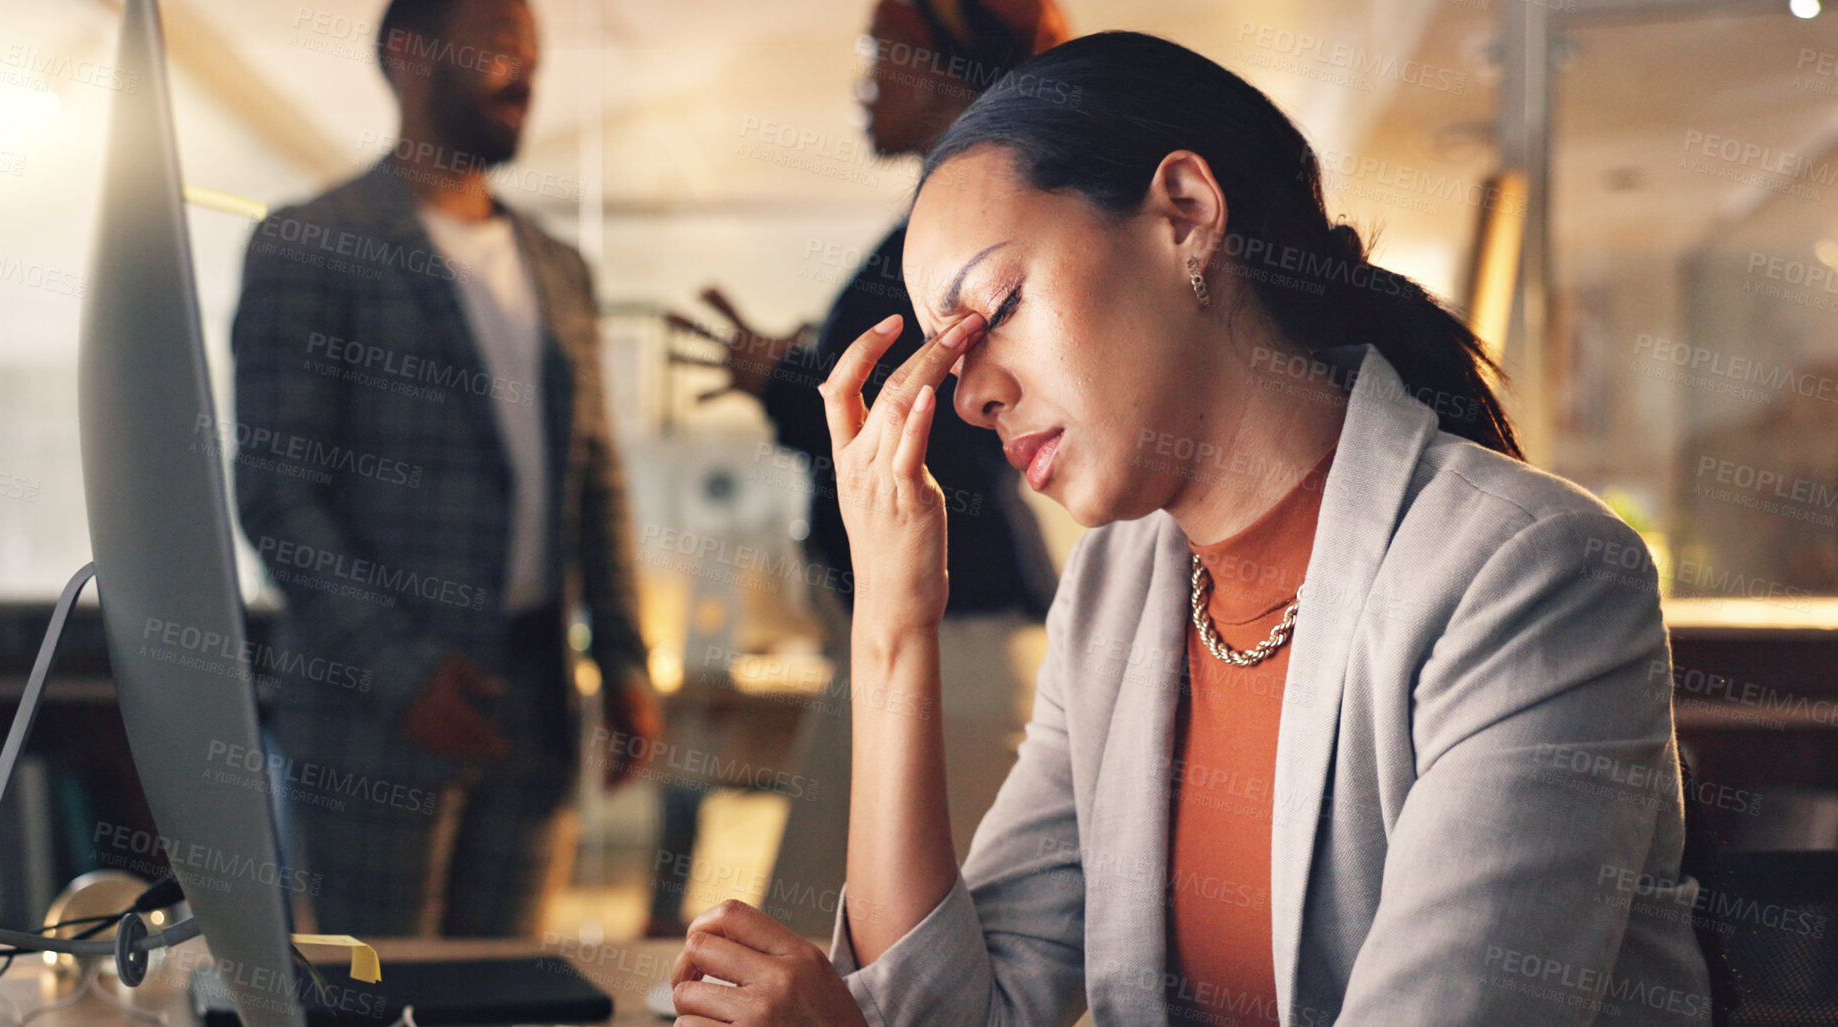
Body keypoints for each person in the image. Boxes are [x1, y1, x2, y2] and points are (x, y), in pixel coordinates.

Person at [668, 31, 1713, 1025]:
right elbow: (968, 1009)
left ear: (1182, 214)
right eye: (947, 350)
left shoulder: (1529, 573)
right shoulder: (1121, 590)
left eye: (996, 306)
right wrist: (892, 623)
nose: (969, 394)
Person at [230, 0, 659, 938]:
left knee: (504, 995)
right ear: (410, 52)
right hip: (374, 709)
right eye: (501, 49)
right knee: (372, 992)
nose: (527, 75)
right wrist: (400, 670)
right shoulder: (310, 245)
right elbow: (274, 490)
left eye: (535, 57)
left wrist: (625, 656)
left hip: (537, 700)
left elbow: (597, 476)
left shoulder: (559, 265)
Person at [654, 0, 1069, 941]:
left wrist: (788, 382)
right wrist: (795, 377)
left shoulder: (974, 221)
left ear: (957, 68)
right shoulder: (942, 222)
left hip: (954, 636)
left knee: (890, 942)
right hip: (912, 631)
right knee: (817, 922)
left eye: (887, 49)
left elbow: (927, 408)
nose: (868, 75)